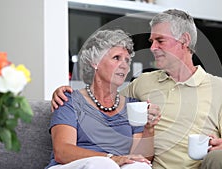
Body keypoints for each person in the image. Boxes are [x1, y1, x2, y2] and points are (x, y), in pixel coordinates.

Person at [51, 9, 222, 169]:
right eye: (151, 42)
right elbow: (104, 104)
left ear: (184, 41)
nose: (153, 47)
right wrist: (64, 93)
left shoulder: (219, 88)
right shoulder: (143, 83)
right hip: (149, 167)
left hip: (203, 165)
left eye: (160, 41)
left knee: (220, 157)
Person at [45, 29, 161, 169]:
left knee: (140, 166)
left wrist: (149, 129)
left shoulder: (133, 106)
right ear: (95, 62)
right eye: (117, 58)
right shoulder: (69, 100)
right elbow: (62, 152)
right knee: (102, 164)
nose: (124, 65)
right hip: (73, 165)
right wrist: (111, 158)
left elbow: (141, 157)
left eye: (127, 60)